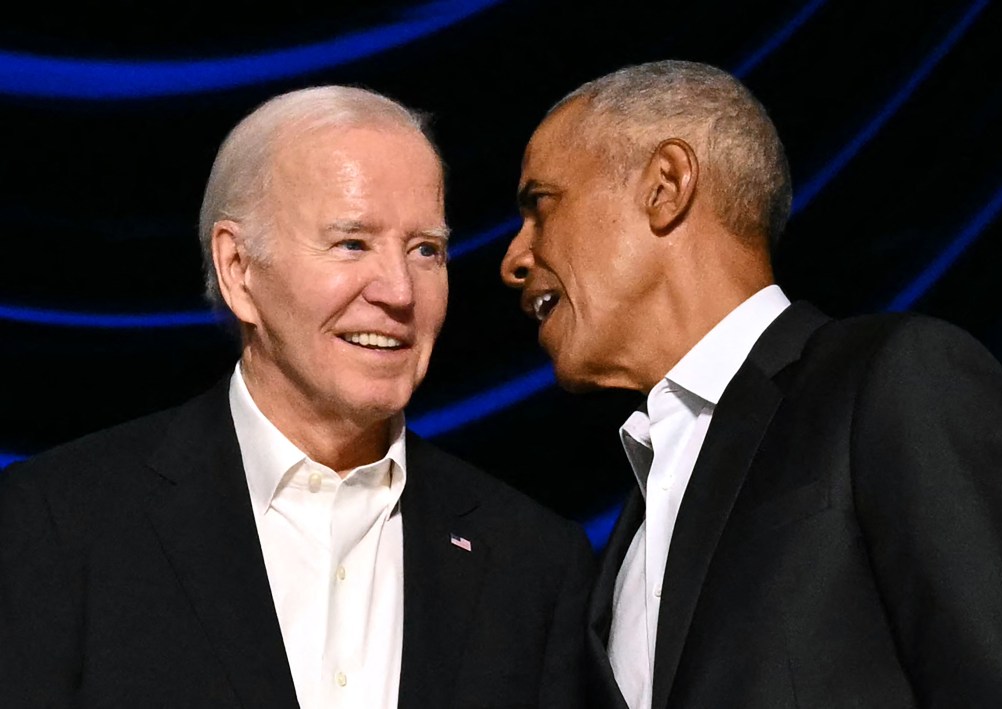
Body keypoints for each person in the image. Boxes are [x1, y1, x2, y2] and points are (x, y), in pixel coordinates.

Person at [0, 85, 593, 708]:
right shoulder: (56, 526)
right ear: (239, 268)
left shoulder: (533, 564)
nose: (398, 291)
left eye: (426, 250)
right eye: (352, 243)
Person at [500, 60, 1002, 708]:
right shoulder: (622, 547)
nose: (513, 259)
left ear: (666, 186)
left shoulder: (892, 380)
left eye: (540, 206)